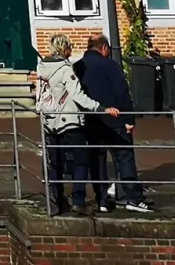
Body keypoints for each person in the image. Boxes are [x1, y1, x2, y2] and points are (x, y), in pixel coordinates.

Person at [37, 33, 121, 216]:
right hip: (70, 121)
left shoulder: (42, 68)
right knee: (80, 161)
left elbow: (41, 96)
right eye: (70, 47)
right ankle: (77, 200)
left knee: (55, 162)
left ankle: (56, 199)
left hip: (50, 121)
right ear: (65, 49)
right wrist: (100, 108)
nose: (72, 50)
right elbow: (77, 95)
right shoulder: (66, 69)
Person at [73, 35, 150, 213]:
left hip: (91, 121)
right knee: (124, 157)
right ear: (104, 48)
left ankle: (102, 200)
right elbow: (122, 92)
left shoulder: (78, 67)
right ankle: (133, 198)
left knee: (97, 160)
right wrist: (129, 119)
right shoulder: (109, 65)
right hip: (114, 120)